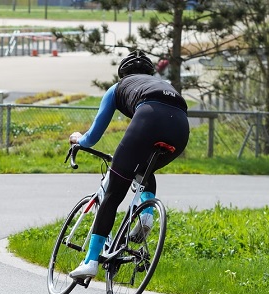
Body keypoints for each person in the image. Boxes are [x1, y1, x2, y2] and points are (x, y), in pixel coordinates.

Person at [68, 50, 190, 279]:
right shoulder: (164, 83)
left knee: (114, 192)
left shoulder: (117, 88)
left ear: (122, 74)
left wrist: (77, 139)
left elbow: (92, 137)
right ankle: (146, 214)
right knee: (144, 168)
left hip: (149, 118)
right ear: (149, 73)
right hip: (181, 127)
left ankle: (90, 261)